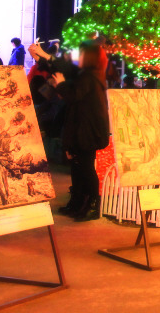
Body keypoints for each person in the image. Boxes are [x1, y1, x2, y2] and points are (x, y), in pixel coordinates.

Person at [50, 41, 111, 221]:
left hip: (86, 132)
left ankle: (91, 205)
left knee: (85, 168)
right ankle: (78, 202)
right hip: (84, 130)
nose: (79, 58)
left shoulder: (89, 76)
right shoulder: (90, 75)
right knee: (78, 167)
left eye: (82, 54)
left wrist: (60, 84)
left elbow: (73, 95)